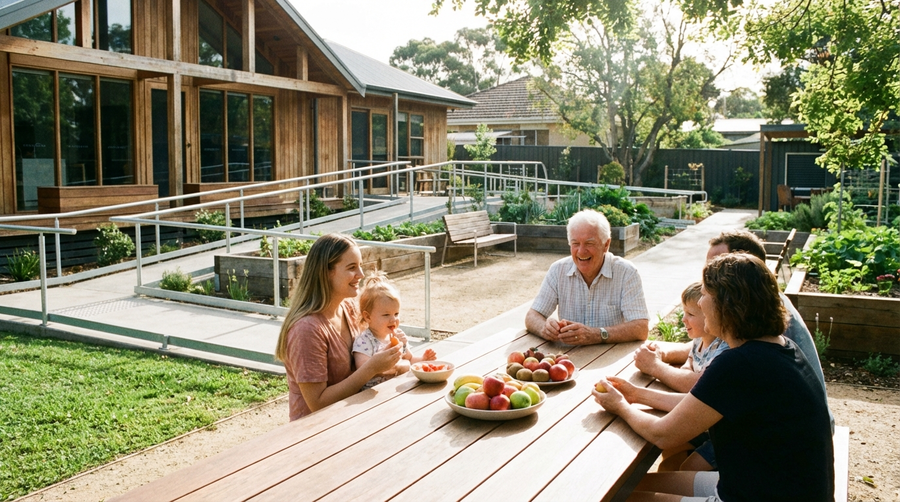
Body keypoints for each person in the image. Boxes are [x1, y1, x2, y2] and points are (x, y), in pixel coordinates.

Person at [593, 253, 834, 501]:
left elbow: (663, 435)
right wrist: (636, 394)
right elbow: (700, 405)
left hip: (757, 493)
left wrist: (620, 406)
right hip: (765, 485)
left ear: (727, 304)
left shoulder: (739, 364)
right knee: (632, 485)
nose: (700, 303)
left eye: (706, 294)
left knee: (622, 498)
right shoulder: (779, 348)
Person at [645, 230, 829, 404]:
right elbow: (709, 345)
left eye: (717, 265)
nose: (707, 275)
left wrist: (655, 368)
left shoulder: (749, 315)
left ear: (742, 268)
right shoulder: (764, 300)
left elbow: (706, 386)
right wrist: (663, 354)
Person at [274, 234, 402, 421]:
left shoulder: (348, 308)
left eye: (359, 266)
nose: (361, 274)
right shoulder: (306, 330)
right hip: (315, 433)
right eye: (351, 268)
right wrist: (372, 368)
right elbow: (317, 403)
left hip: (351, 419)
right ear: (326, 272)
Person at [525, 209, 649, 345]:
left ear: (606, 244)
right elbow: (532, 316)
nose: (581, 251)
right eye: (575, 244)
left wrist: (597, 335)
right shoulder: (558, 270)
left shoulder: (626, 272)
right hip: (568, 358)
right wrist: (544, 328)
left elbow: (641, 328)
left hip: (609, 357)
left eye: (589, 243)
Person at [353, 271, 437, 390]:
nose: (393, 319)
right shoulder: (364, 341)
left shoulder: (397, 337)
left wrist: (423, 359)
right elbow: (362, 369)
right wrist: (394, 366)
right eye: (386, 315)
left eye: (396, 314)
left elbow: (410, 359)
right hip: (372, 394)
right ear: (368, 317)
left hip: (396, 388)